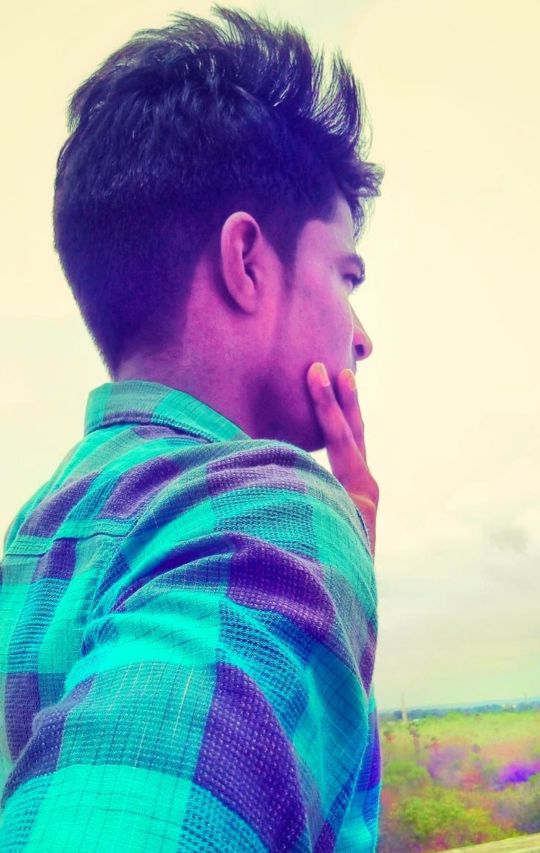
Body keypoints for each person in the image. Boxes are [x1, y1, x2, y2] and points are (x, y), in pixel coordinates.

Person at [0, 5, 383, 852]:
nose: (361, 337)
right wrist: (319, 538)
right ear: (247, 261)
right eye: (346, 277)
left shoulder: (41, 529)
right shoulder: (271, 515)